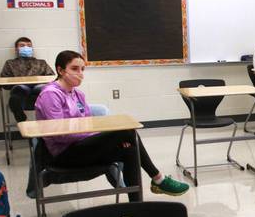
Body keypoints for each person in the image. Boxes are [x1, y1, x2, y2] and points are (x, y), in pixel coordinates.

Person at [35, 50, 189, 201]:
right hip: (63, 154)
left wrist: (96, 135)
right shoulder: (51, 94)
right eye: (74, 69)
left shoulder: (78, 94)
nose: (80, 73)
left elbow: (88, 123)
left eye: (82, 69)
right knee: (127, 132)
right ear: (60, 70)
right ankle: (159, 179)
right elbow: (58, 134)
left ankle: (135, 209)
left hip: (82, 148)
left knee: (129, 150)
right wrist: (99, 135)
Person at [0, 37, 54, 122]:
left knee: (44, 89)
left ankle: (49, 122)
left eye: (29, 46)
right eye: (22, 45)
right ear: (16, 49)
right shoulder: (10, 63)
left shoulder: (41, 62)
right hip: (21, 91)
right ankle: (21, 117)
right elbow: (4, 83)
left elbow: (51, 78)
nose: (26, 48)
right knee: (18, 91)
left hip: (39, 91)